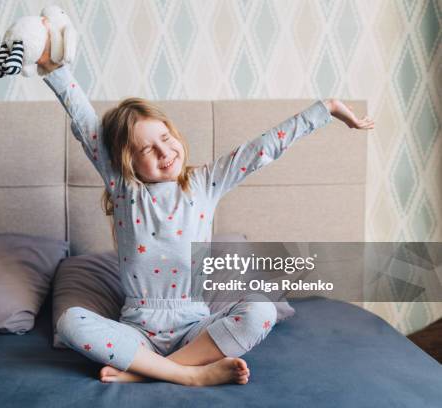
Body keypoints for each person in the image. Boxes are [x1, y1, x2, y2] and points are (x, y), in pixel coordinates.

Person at [36, 23, 374, 387]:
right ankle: (190, 376)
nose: (165, 152)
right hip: (137, 332)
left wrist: (327, 108)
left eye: (165, 137)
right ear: (127, 162)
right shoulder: (124, 189)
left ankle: (142, 374)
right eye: (147, 148)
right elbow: (85, 120)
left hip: (197, 331)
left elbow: (261, 149)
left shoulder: (204, 183)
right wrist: (53, 68)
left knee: (262, 309)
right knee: (70, 322)